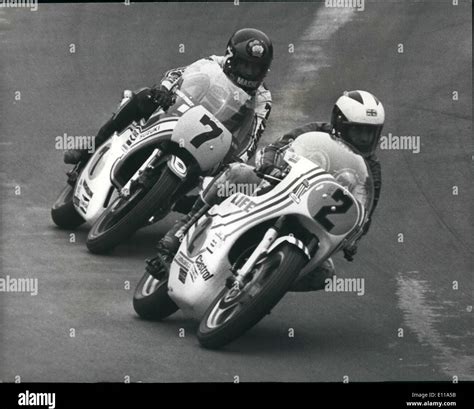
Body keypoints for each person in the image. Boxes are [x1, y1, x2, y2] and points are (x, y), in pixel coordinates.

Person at [149, 90, 385, 293]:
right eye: (359, 131)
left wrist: (353, 238)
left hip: (314, 219)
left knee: (323, 274)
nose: (365, 138)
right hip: (276, 191)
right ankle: (183, 228)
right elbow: (277, 146)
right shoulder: (316, 131)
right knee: (240, 174)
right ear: (340, 123)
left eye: (370, 132)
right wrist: (270, 162)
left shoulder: (370, 170)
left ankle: (256, 291)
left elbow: (364, 211)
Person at [63, 28, 273, 169]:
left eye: (255, 69)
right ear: (230, 58)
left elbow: (253, 137)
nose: (248, 72)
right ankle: (90, 149)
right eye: (245, 65)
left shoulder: (263, 98)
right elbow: (177, 74)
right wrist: (163, 90)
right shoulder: (214, 62)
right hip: (180, 110)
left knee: (233, 178)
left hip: (210, 140)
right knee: (145, 96)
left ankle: (187, 219)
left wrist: (236, 161)